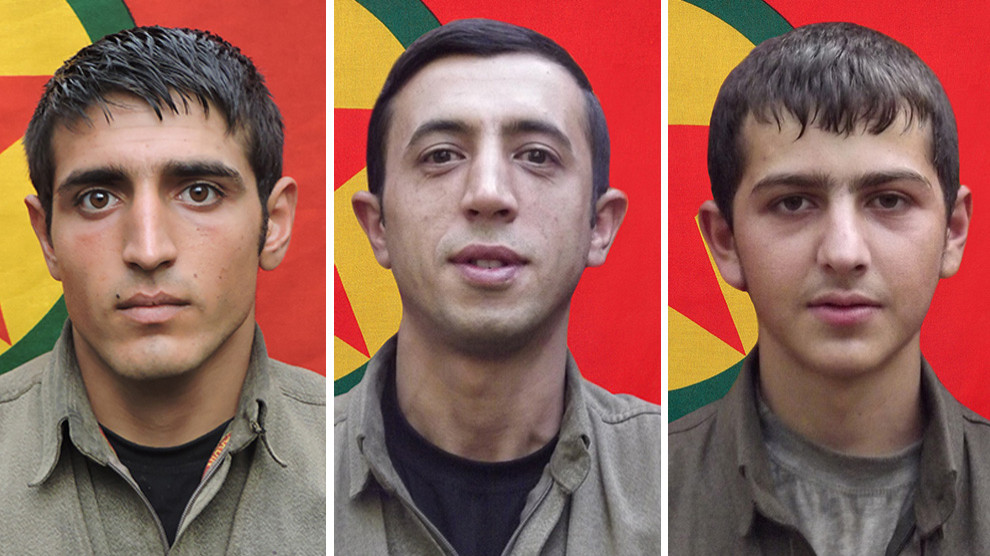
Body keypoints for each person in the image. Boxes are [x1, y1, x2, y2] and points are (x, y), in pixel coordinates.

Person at [335, 18, 662, 555]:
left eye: (537, 156)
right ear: (378, 227)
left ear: (599, 227)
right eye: (441, 155)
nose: (488, 194)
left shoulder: (671, 486)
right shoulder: (299, 476)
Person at [668, 22, 990, 554]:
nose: (843, 253)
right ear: (725, 242)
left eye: (889, 200)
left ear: (953, 231)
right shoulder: (650, 497)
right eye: (793, 202)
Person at [0, 26, 325, 553]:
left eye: (199, 192)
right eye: (98, 198)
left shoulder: (356, 465)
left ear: (275, 224)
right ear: (47, 237)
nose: (148, 250)